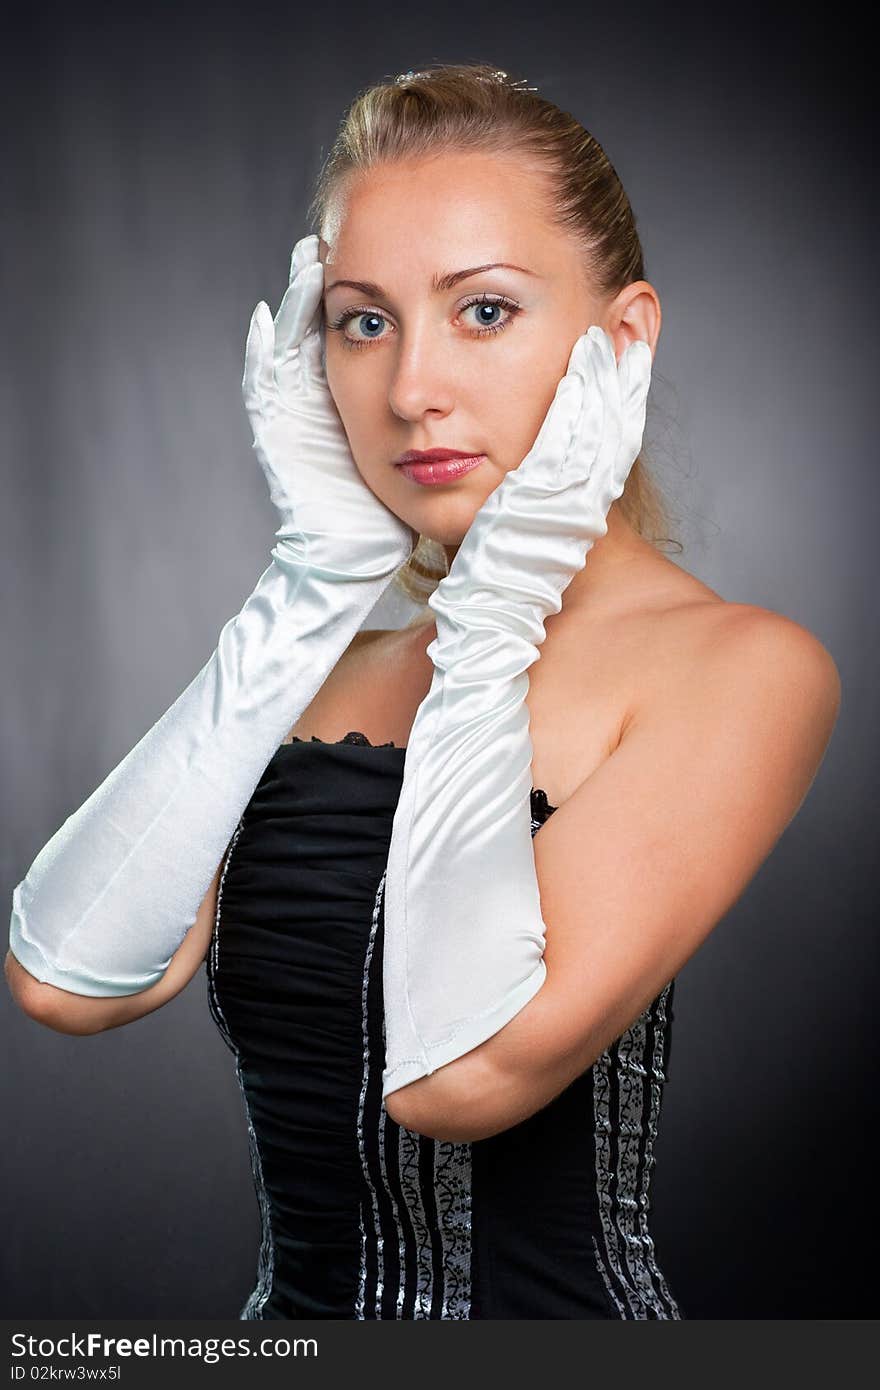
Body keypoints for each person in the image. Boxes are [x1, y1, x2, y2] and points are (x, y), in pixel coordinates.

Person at [5, 63, 841, 1320]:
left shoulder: (743, 671)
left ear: (620, 341)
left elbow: (455, 1076)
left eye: (485, 312)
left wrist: (496, 611)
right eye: (363, 320)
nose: (409, 391)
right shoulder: (318, 669)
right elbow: (66, 977)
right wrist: (311, 585)